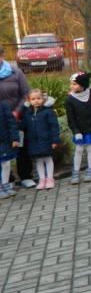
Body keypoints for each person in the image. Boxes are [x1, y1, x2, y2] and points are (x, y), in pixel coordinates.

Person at [0, 44, 32, 188]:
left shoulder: (15, 72)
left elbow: (26, 94)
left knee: (21, 146)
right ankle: (7, 180)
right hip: (1, 121)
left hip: (18, 116)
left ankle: (25, 176)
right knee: (2, 150)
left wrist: (17, 111)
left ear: (2, 55)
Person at [65, 72, 91, 183]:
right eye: (71, 84)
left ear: (83, 85)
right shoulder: (70, 99)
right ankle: (76, 172)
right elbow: (71, 118)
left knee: (90, 148)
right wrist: (76, 131)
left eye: (75, 84)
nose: (72, 86)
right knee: (79, 149)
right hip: (79, 130)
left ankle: (90, 170)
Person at [21, 88, 60, 190]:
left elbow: (54, 126)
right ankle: (42, 179)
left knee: (48, 159)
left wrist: (55, 140)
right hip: (34, 142)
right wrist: (23, 109)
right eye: (33, 99)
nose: (36, 101)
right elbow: (23, 125)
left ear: (43, 99)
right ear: (29, 101)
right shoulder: (27, 113)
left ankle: (50, 178)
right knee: (39, 161)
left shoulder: (48, 112)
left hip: (46, 140)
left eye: (38, 98)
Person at [0, 96, 19, 198]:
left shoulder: (3, 104)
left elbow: (11, 122)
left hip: (5, 140)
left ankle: (5, 185)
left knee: (6, 163)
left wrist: (15, 138)